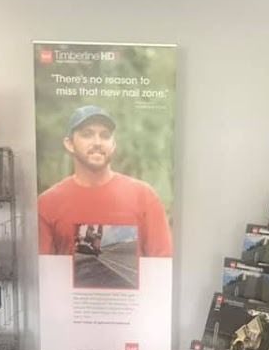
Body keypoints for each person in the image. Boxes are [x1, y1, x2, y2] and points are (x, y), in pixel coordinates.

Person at [38, 105, 173, 257]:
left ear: (113, 145)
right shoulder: (47, 203)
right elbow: (43, 271)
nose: (97, 142)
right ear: (69, 144)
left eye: (105, 135)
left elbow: (163, 265)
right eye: (87, 134)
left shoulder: (144, 196)